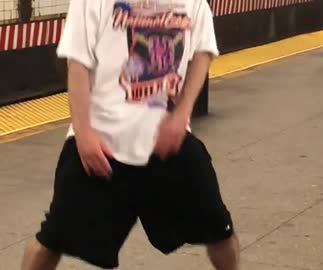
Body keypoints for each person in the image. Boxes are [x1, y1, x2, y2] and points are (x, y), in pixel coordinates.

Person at [20, 0, 240, 269]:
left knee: (220, 231)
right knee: (51, 240)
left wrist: (182, 113)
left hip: (167, 143)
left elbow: (203, 51)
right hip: (101, 147)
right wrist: (84, 134)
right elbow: (77, 64)